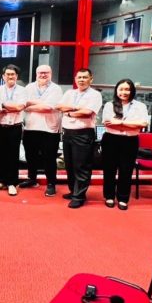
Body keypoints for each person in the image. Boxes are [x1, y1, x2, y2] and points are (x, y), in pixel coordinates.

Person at [57, 68, 103, 209]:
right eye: (79, 77)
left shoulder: (95, 95)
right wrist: (77, 108)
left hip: (83, 134)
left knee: (81, 166)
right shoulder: (70, 93)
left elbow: (87, 112)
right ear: (75, 79)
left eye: (85, 77)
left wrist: (70, 112)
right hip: (67, 133)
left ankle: (79, 196)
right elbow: (59, 106)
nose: (81, 80)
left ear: (91, 79)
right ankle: (73, 191)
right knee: (69, 165)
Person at [101, 78, 149, 210]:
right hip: (111, 140)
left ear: (132, 91)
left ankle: (123, 198)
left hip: (130, 141)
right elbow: (108, 123)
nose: (124, 92)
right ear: (116, 90)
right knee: (109, 170)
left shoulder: (140, 106)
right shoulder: (109, 105)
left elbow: (143, 123)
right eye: (121, 89)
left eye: (127, 89)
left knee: (126, 170)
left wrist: (121, 123)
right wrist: (132, 124)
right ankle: (109, 196)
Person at [20, 65, 63, 197]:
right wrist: (41, 103)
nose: (43, 75)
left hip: (49, 129)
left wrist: (31, 106)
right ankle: (32, 179)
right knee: (30, 156)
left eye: (46, 72)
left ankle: (51, 184)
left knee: (49, 158)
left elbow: (48, 108)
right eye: (40, 73)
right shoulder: (29, 88)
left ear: (51, 73)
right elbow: (23, 104)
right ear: (36, 74)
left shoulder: (56, 89)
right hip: (30, 127)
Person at [0, 64, 27, 196]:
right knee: (1, 155)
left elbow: (19, 107)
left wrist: (3, 105)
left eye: (13, 74)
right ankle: (1, 181)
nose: (10, 76)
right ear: (3, 76)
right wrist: (6, 107)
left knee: (13, 155)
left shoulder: (22, 90)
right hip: (0, 126)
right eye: (8, 74)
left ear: (17, 76)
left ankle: (12, 183)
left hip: (15, 127)